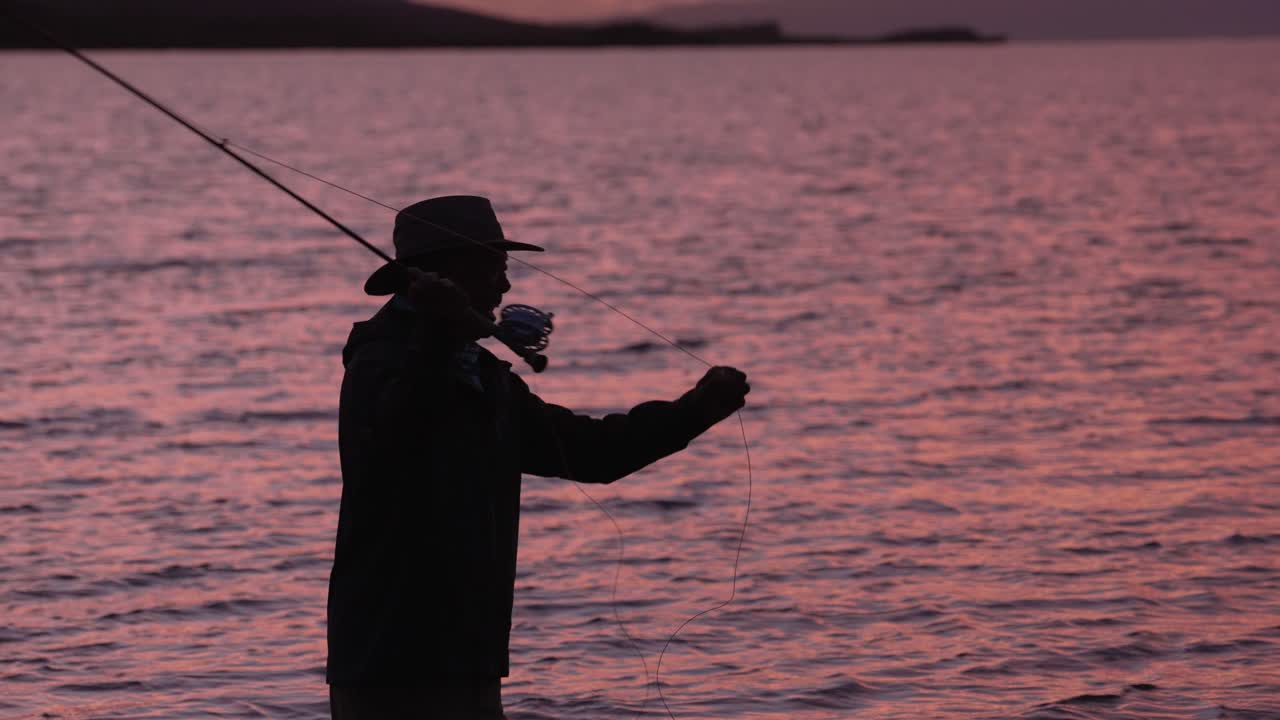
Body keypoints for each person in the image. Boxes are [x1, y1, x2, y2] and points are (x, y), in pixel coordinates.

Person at [325, 195, 750, 719]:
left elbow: (591, 454)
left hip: (467, 650)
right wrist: (437, 336)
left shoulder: (484, 376)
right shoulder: (379, 361)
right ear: (446, 275)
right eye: (494, 268)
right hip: (390, 658)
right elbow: (401, 434)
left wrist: (697, 409)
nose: (505, 286)